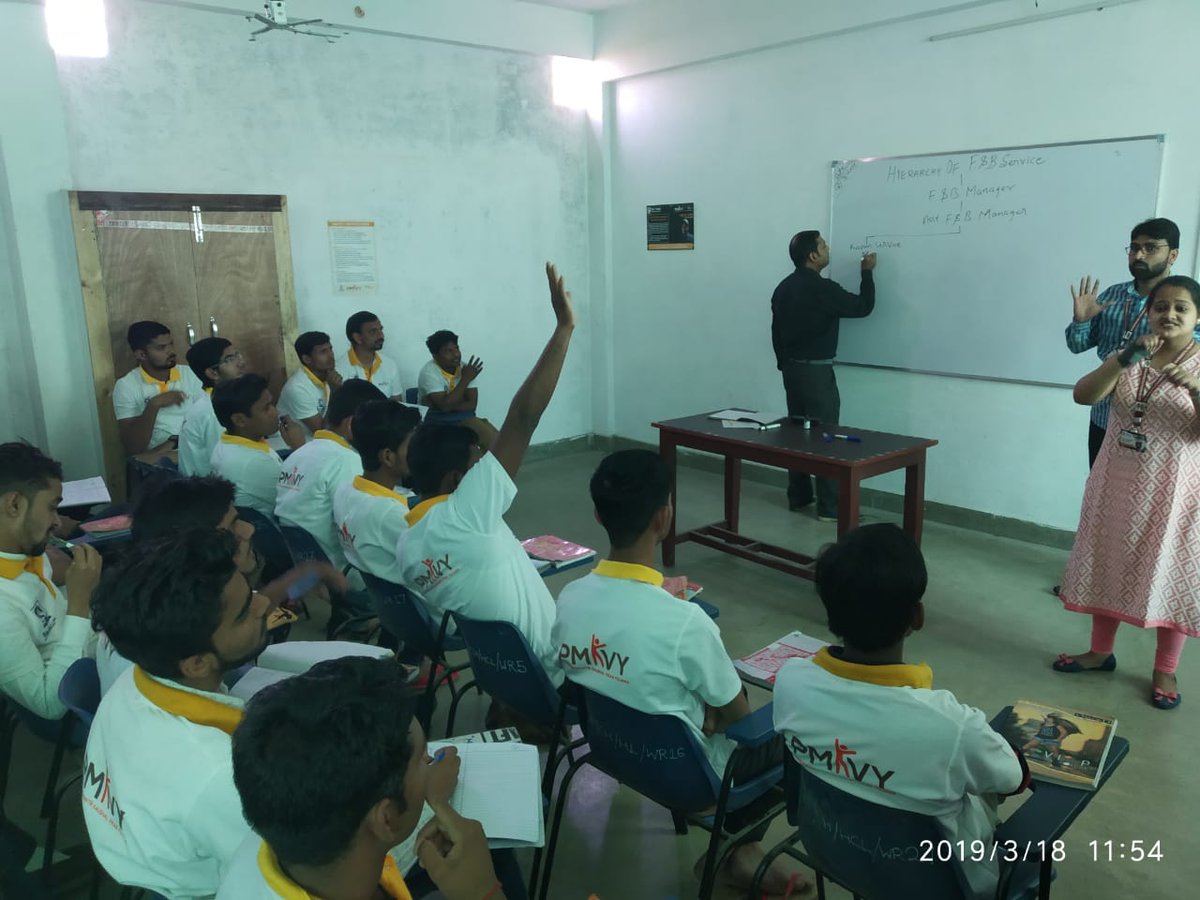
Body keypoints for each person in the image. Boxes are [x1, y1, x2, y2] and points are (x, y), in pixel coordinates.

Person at [553, 449, 805, 897]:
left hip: (613, 752)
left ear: (597, 513)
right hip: (692, 781)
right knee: (796, 733)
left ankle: (735, 854)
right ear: (664, 517)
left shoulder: (570, 598)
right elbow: (738, 718)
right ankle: (735, 852)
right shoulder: (686, 623)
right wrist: (708, 714)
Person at [773, 524, 1028, 900]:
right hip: (940, 884)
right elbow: (1011, 779)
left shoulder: (791, 682)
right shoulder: (952, 728)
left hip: (832, 849)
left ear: (831, 613)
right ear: (917, 617)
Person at [398, 263, 574, 686]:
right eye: (479, 460)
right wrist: (564, 328)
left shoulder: (405, 546)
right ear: (456, 482)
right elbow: (524, 416)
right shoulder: (467, 513)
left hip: (498, 672)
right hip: (552, 678)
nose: (488, 462)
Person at [220, 656, 510, 900]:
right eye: (424, 758)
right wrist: (485, 893)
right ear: (386, 819)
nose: (429, 762)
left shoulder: (276, 828)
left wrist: (424, 787)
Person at [83, 530, 271, 898]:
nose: (264, 603)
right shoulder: (219, 775)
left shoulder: (136, 678)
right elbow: (282, 876)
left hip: (138, 852)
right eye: (245, 612)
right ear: (198, 663)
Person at [1054, 275, 1200, 711]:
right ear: (1148, 312)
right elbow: (1084, 396)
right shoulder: (1134, 353)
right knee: (1107, 561)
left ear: (1197, 316)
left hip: (1176, 489)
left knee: (1173, 572)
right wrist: (1122, 360)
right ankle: (1100, 653)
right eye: (1160, 307)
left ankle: (1165, 668)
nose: (1168, 314)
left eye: (1180, 307)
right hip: (1116, 479)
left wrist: (1194, 388)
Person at [770, 232, 877, 521]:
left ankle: (800, 496)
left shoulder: (783, 288)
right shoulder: (822, 289)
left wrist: (784, 364)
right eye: (823, 245)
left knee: (797, 434)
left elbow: (775, 333)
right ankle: (830, 508)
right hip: (816, 373)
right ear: (813, 256)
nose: (828, 248)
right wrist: (867, 274)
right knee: (826, 437)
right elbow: (862, 307)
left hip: (792, 371)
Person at [1065, 218, 1186, 467]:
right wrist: (1080, 321)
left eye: (1151, 248)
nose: (1139, 254)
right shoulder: (1112, 295)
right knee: (1100, 490)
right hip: (1104, 416)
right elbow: (1077, 345)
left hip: (1156, 423)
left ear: (1173, 255)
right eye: (1134, 248)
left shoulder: (1184, 302)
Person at [0, 442, 102, 719]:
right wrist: (79, 602)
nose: (57, 522)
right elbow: (50, 704)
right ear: (15, 504)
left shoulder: (24, 552)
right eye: (51, 508)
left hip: (99, 654)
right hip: (84, 699)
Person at [276, 379, 386, 573]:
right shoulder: (346, 461)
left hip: (305, 565)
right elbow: (363, 529)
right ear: (352, 425)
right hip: (342, 569)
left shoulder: (297, 454)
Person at [335, 400, 421, 586]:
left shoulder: (345, 490)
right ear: (388, 457)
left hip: (372, 589)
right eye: (412, 445)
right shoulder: (392, 515)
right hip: (416, 605)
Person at [112, 320, 205, 455]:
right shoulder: (126, 386)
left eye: (171, 344)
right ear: (141, 355)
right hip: (157, 463)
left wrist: (174, 441)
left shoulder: (191, 374)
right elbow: (133, 448)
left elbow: (207, 420)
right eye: (161, 348)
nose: (171, 352)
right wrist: (154, 405)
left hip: (194, 451)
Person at [209, 374, 288, 516]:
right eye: (267, 408)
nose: (275, 412)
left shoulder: (225, 441)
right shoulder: (256, 463)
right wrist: (300, 447)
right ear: (240, 420)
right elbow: (301, 498)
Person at [178, 337, 248, 477]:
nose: (241, 363)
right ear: (212, 373)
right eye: (230, 359)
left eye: (238, 355)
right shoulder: (212, 411)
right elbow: (224, 465)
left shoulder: (219, 399)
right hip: (208, 491)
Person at [278, 331, 345, 441]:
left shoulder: (332, 376)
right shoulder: (297, 388)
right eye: (323, 352)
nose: (331, 355)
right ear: (307, 359)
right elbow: (322, 432)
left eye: (330, 349)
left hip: (318, 441)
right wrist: (335, 392)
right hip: (291, 446)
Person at [338, 310, 404, 399]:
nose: (381, 335)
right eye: (373, 331)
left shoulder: (390, 365)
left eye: (381, 329)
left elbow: (397, 403)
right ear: (358, 338)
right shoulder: (339, 369)